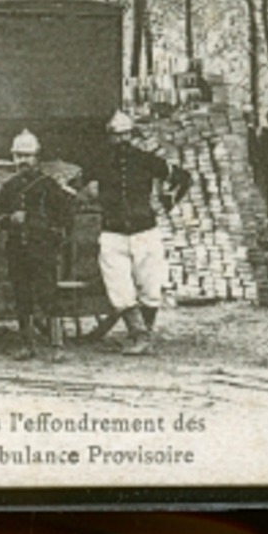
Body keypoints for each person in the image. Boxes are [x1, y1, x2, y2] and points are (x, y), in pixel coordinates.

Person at [84, 111, 191, 356]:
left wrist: (168, 201)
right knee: (119, 287)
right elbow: (73, 186)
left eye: (125, 135)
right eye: (116, 136)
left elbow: (184, 178)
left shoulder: (147, 160)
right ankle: (138, 335)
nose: (121, 141)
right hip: (113, 233)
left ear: (132, 135)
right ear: (109, 137)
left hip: (145, 231)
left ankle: (145, 335)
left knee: (150, 286)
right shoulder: (99, 162)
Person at [0, 129, 77, 361]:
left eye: (27, 156)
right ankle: (27, 344)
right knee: (22, 296)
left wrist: (54, 235)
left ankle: (57, 346)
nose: (22, 161)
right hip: (17, 249)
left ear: (36, 158)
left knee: (48, 294)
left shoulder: (49, 185)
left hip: (42, 249)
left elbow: (66, 215)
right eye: (18, 156)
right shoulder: (8, 187)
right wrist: (9, 220)